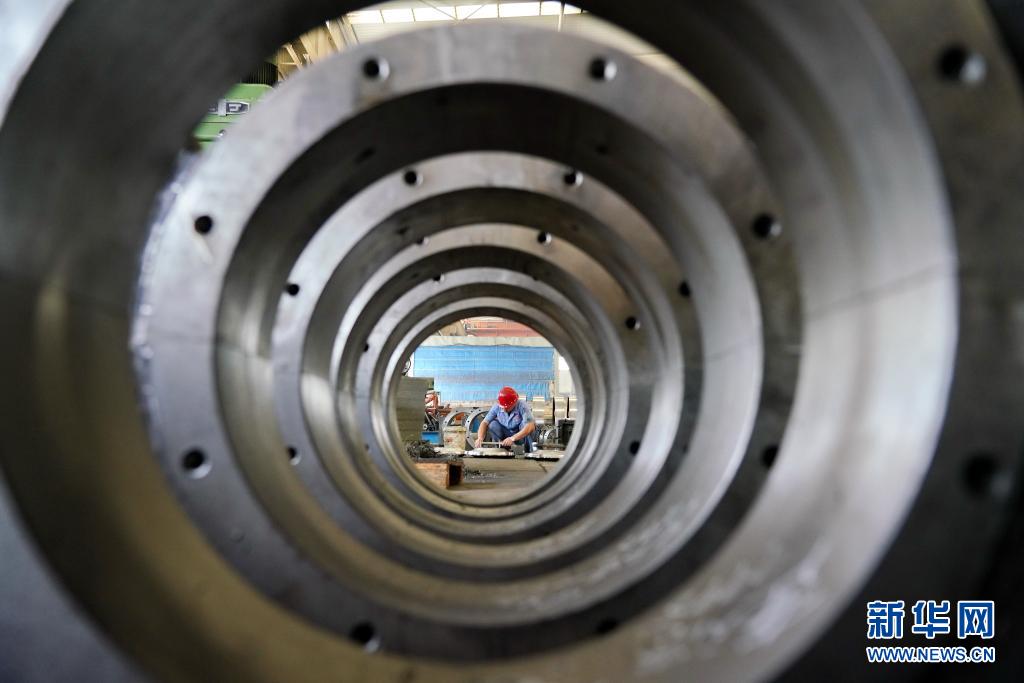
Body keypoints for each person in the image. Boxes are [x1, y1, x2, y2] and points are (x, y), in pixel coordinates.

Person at [474, 386, 536, 452]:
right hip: (506, 435)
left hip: (520, 435)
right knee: (492, 424)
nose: (504, 409)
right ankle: (501, 450)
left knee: (526, 424)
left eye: (507, 407)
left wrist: (512, 438)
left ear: (514, 403)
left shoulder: (522, 405)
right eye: (502, 407)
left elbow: (530, 426)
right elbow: (484, 422)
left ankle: (528, 451)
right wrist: (480, 438)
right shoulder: (497, 406)